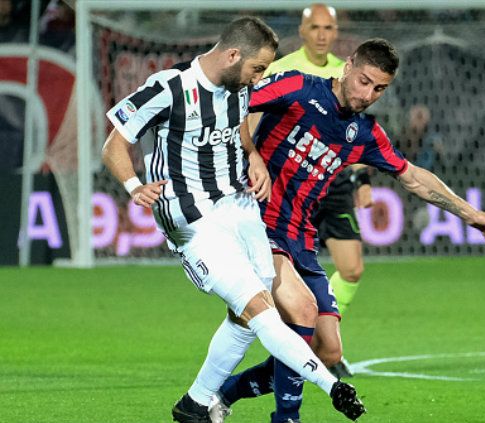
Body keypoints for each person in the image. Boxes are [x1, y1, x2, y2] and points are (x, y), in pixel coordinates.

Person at [212, 38, 485, 423]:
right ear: (348, 65)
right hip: (258, 224)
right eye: (364, 81)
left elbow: (414, 177)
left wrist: (471, 214)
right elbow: (232, 102)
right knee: (302, 310)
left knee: (327, 351)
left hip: (301, 237)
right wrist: (251, 155)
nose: (368, 94)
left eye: (380, 88)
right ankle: (286, 418)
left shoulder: (365, 133)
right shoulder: (300, 87)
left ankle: (221, 395)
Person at [101, 17, 364, 423]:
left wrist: (254, 157)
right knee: (261, 311)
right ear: (232, 54)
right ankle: (330, 384)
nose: (260, 77)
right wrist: (134, 185)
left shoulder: (238, 88)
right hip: (190, 216)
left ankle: (194, 405)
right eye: (258, 68)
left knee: (243, 317)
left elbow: (238, 130)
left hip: (239, 208)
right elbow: (115, 142)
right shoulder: (169, 87)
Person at [258, 3, 370, 380]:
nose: (322, 34)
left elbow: (358, 135)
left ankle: (327, 338)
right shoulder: (282, 69)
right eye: (315, 27)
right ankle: (302, 344)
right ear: (303, 31)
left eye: (329, 28)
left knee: (352, 269)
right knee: (280, 279)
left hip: (332, 183)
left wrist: (363, 180)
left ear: (336, 32)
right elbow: (252, 116)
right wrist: (252, 161)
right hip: (285, 187)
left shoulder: (349, 74)